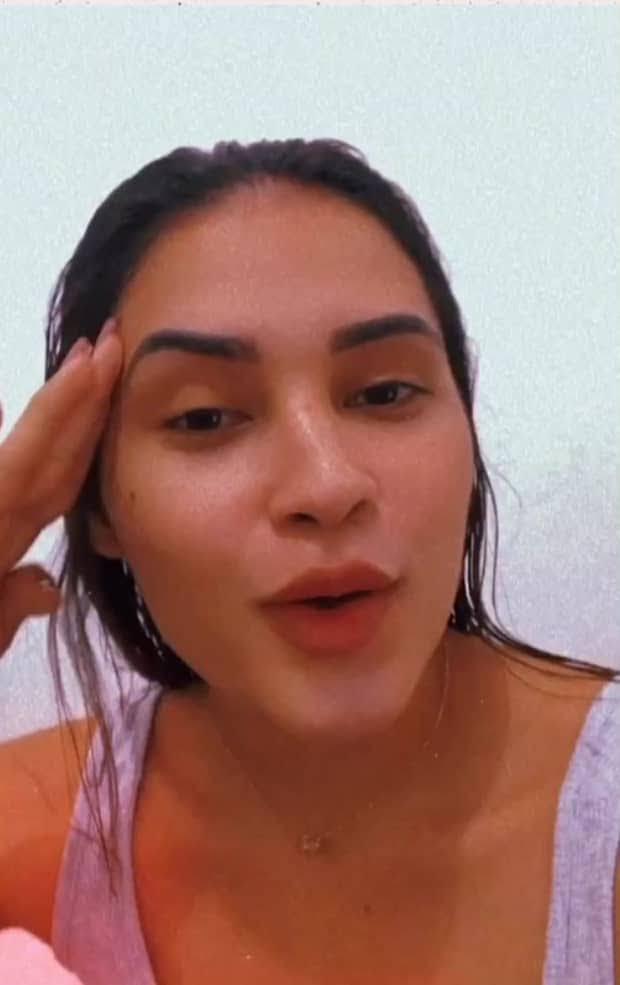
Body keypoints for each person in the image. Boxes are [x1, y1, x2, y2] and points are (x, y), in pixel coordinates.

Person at [0, 138, 618, 985]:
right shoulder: (25, 845)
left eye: (384, 392)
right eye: (205, 418)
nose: (326, 486)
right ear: (97, 502)